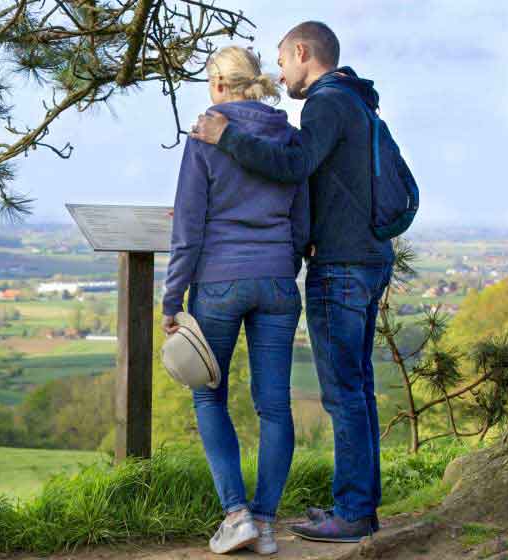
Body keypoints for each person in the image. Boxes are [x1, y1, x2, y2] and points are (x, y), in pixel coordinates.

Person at [189, 21, 395, 543]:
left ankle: (351, 513)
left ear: (302, 52)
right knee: (358, 389)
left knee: (344, 393)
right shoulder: (357, 100)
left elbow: (295, 165)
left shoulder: (327, 103)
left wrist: (226, 135)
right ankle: (359, 507)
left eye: (282, 61)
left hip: (342, 265)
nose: (279, 72)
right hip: (369, 258)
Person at [161, 45, 309, 555]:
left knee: (208, 395)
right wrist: (279, 272)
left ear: (220, 85)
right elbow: (301, 223)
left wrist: (172, 298)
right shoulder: (289, 138)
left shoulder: (207, 132)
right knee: (274, 407)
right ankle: (267, 524)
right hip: (276, 283)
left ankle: (237, 515)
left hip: (218, 283)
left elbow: (188, 226)